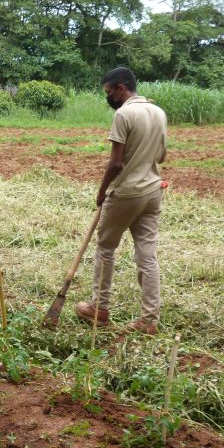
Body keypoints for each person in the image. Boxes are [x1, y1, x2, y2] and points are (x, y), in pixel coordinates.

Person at [75, 67, 168, 335]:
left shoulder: (124, 114)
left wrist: (102, 190)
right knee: (147, 256)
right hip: (152, 191)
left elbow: (115, 163)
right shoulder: (158, 112)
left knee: (105, 248)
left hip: (126, 193)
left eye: (109, 92)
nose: (109, 97)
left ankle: (99, 309)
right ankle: (149, 320)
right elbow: (162, 156)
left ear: (121, 89)